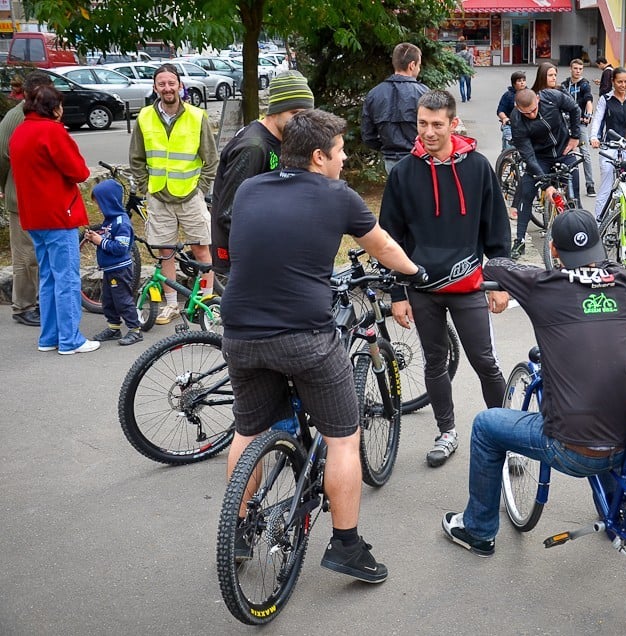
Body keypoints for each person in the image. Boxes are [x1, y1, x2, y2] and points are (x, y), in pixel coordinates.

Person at [220, 108, 423, 582]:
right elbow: (384, 248)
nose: (345, 158)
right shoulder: (337, 196)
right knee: (343, 439)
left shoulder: (251, 189)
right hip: (305, 337)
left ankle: (238, 529)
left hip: (241, 334)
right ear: (318, 156)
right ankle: (347, 546)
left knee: (247, 432)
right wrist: (416, 272)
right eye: (340, 151)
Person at [441, 208, 626, 557]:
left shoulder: (543, 287)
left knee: (486, 426)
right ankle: (617, 514)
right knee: (609, 406)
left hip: (572, 449)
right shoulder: (623, 283)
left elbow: (496, 266)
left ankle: (478, 529)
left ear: (555, 252)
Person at [379, 90, 512, 468]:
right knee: (434, 362)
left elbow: (497, 227)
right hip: (422, 289)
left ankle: (507, 435)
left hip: (469, 284)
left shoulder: (478, 167)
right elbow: (391, 237)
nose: (429, 132)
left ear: (453, 123)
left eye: (437, 124)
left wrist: (499, 280)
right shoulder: (404, 172)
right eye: (422, 124)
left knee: (485, 362)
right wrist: (397, 292)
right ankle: (447, 432)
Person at [9, 84, 98, 354]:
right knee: (67, 279)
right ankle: (70, 339)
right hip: (59, 214)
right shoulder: (52, 132)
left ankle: (49, 337)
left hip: (33, 216)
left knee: (48, 278)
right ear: (53, 108)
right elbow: (79, 172)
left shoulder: (20, 132)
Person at [129, 63, 218, 326]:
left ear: (180, 86)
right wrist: (146, 187)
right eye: (161, 84)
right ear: (155, 87)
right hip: (159, 196)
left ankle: (207, 302)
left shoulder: (196, 115)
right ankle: (171, 305)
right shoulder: (144, 117)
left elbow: (211, 159)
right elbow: (136, 158)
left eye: (171, 83)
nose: (167, 88)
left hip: (190, 195)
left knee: (201, 250)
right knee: (164, 252)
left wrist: (200, 190)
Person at [210, 70, 315, 273]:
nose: (301, 121)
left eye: (306, 114)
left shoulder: (280, 138)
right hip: (245, 260)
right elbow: (229, 214)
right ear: (275, 110)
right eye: (294, 114)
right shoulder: (253, 146)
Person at [0, 71, 53, 328]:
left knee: (40, 255)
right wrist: (3, 187)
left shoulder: (45, 113)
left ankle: (41, 301)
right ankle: (23, 306)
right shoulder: (15, 118)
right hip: (19, 197)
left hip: (41, 198)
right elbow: (1, 156)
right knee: (25, 257)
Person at [509, 87, 581, 258]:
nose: (532, 115)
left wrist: (575, 136)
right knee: (526, 192)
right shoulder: (516, 120)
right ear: (518, 109)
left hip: (564, 150)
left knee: (574, 192)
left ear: (538, 99)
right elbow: (528, 156)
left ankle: (578, 236)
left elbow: (574, 109)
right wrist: (546, 185)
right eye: (527, 113)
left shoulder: (551, 96)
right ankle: (519, 241)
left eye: (534, 110)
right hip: (540, 157)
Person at [86, 179, 143, 346]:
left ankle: (135, 330)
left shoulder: (122, 222)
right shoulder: (109, 220)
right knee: (108, 300)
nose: (98, 208)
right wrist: (96, 237)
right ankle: (114, 327)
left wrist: (99, 241)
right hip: (110, 268)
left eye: (100, 204)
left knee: (123, 300)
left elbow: (121, 247)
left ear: (109, 201)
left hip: (120, 269)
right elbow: (108, 239)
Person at [360, 42, 428, 174]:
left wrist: (387, 147)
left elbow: (368, 136)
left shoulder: (374, 94)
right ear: (412, 65)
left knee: (396, 194)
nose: (419, 69)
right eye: (419, 66)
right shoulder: (424, 93)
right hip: (420, 159)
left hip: (391, 162)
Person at [590, 67, 626, 220]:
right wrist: (594, 137)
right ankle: (599, 221)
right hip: (610, 146)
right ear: (613, 82)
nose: (623, 85)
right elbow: (598, 120)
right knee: (607, 183)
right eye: (620, 82)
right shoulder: (605, 99)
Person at [561, 59, 595, 196]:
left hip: (579, 123)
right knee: (565, 152)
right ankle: (565, 184)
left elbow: (589, 101)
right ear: (571, 69)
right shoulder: (564, 85)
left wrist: (588, 114)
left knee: (585, 153)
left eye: (580, 69)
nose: (578, 71)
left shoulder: (584, 85)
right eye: (575, 68)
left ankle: (590, 185)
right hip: (565, 122)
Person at [496, 71, 525, 150]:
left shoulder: (529, 94)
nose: (522, 83)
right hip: (510, 125)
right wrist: (504, 118)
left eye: (523, 80)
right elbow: (500, 110)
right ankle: (506, 159)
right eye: (519, 81)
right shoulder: (508, 95)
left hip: (526, 126)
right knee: (508, 146)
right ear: (514, 83)